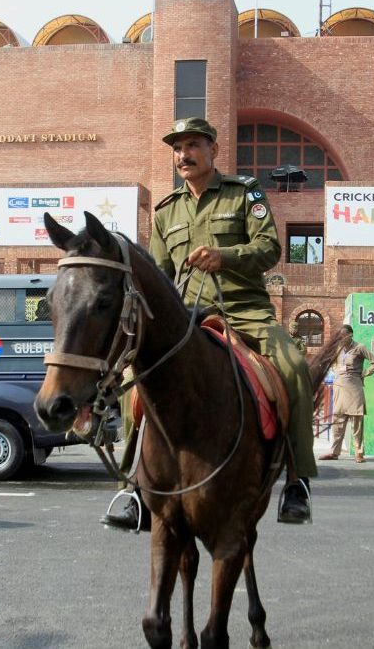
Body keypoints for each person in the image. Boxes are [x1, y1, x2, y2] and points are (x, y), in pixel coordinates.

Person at [102, 116, 317, 530]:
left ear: (213, 150)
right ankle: (133, 487)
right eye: (178, 148)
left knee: (291, 364)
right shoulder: (167, 211)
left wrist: (226, 256)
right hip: (186, 319)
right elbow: (159, 276)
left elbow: (269, 248)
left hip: (245, 311)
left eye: (193, 145)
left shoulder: (245, 193)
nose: (184, 154)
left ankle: (297, 480)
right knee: (137, 379)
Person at [319, 324, 374, 462]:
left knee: (357, 422)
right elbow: (331, 363)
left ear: (350, 335)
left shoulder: (359, 347)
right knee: (338, 422)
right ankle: (334, 452)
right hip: (339, 388)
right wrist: (336, 370)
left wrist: (364, 373)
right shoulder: (338, 349)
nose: (341, 338)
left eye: (343, 336)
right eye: (339, 336)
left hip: (354, 388)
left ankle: (359, 453)